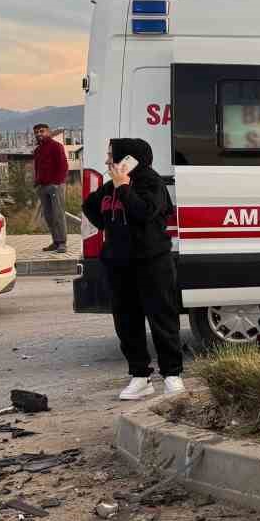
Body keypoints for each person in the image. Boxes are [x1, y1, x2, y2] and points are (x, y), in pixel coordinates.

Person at [81, 138, 182, 400]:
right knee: (127, 322)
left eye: (112, 156)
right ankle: (140, 376)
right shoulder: (110, 187)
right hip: (118, 264)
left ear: (129, 159)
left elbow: (144, 212)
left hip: (152, 262)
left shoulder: (151, 182)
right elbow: (90, 206)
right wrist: (110, 224)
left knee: (162, 319)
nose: (107, 161)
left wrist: (125, 188)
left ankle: (172, 375)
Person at [32, 124, 70, 253]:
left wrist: (57, 183)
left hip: (55, 186)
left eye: (42, 131)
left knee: (58, 214)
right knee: (48, 216)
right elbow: (37, 168)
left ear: (48, 132)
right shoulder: (37, 150)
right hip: (42, 187)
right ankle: (55, 241)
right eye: (36, 132)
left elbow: (64, 166)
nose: (39, 134)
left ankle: (63, 243)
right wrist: (36, 183)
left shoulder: (56, 146)